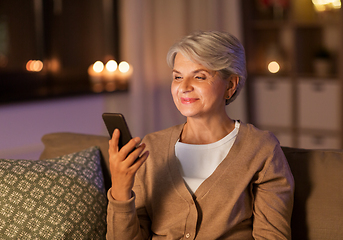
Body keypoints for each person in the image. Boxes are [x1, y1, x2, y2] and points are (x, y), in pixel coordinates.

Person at [106, 31, 294, 240]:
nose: (184, 87)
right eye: (178, 77)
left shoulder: (261, 148)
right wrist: (121, 190)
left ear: (230, 85)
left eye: (199, 76)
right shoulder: (151, 147)